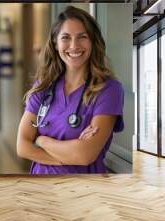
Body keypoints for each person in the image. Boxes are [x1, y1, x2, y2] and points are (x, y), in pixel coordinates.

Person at [16, 6, 124, 174]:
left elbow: (85, 155)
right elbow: (22, 146)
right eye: (66, 37)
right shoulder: (43, 88)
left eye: (82, 37)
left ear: (93, 42)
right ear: (55, 43)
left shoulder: (108, 90)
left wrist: (41, 140)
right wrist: (68, 157)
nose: (74, 46)